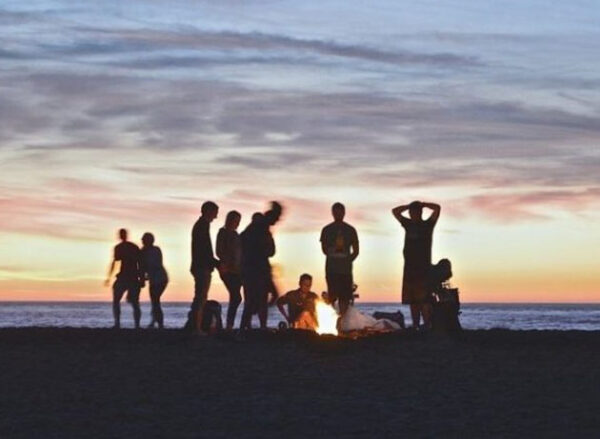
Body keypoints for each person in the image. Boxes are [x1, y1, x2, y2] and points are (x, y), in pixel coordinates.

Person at [392, 200, 441, 329]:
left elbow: (437, 208)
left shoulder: (428, 225)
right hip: (409, 268)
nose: (413, 214)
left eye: (415, 212)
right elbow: (395, 211)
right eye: (411, 212)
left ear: (420, 212)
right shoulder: (407, 224)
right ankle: (415, 325)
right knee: (412, 301)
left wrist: (423, 204)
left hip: (423, 268)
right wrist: (408, 206)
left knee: (424, 300)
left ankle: (426, 325)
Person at [185, 201, 220, 333]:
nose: (215, 217)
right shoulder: (202, 226)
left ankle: (194, 326)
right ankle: (196, 328)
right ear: (208, 211)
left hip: (200, 265)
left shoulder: (201, 226)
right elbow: (204, 249)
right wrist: (215, 263)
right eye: (215, 213)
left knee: (200, 297)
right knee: (201, 298)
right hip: (202, 266)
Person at [320, 202, 359, 316]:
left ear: (344, 213)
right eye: (336, 212)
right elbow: (324, 249)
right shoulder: (326, 229)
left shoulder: (351, 230)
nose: (338, 214)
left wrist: (347, 260)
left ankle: (342, 321)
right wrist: (335, 255)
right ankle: (333, 320)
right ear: (332, 213)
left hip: (345, 271)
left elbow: (356, 251)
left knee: (345, 297)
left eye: (340, 212)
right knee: (332, 296)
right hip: (332, 269)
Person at [239, 212, 273, 330]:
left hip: (249, 271)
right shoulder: (263, 234)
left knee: (250, 301)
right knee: (261, 301)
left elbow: (240, 254)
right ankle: (261, 326)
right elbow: (271, 251)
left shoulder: (244, 235)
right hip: (259, 271)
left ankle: (245, 327)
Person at [105, 228, 143, 329]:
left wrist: (142, 277)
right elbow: (115, 262)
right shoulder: (121, 247)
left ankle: (135, 325)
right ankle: (119, 323)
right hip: (125, 276)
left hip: (131, 277)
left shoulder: (131, 247)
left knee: (134, 302)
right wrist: (109, 277)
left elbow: (140, 263)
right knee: (118, 300)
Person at [216, 210, 243, 331]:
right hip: (227, 269)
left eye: (238, 221)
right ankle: (229, 325)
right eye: (235, 221)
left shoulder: (236, 235)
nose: (237, 223)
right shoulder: (223, 232)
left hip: (238, 270)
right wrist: (226, 262)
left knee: (236, 296)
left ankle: (230, 324)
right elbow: (219, 251)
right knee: (236, 296)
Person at [140, 232, 168, 329]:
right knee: (155, 301)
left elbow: (154, 265)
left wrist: (144, 277)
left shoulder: (155, 250)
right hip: (154, 279)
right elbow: (143, 267)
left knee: (155, 300)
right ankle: (154, 321)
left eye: (144, 239)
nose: (142, 241)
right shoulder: (143, 251)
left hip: (160, 279)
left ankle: (159, 323)